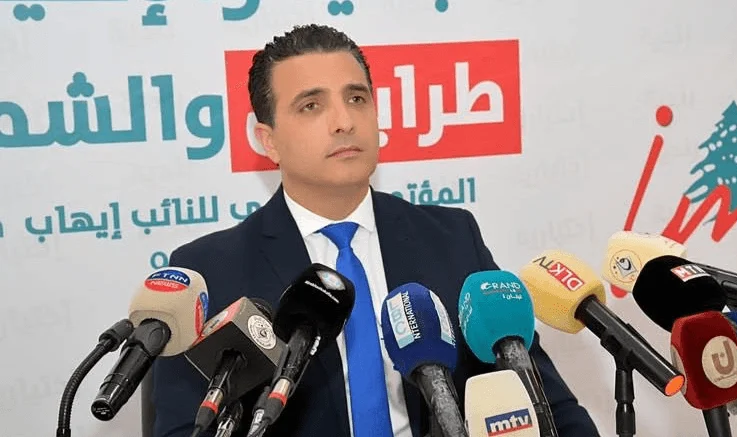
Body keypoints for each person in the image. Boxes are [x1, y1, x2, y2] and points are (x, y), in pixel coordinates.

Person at [150, 24, 600, 437]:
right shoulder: (211, 270)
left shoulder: (452, 237)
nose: (344, 121)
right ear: (268, 140)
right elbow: (183, 429)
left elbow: (548, 405)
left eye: (357, 99)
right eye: (311, 106)